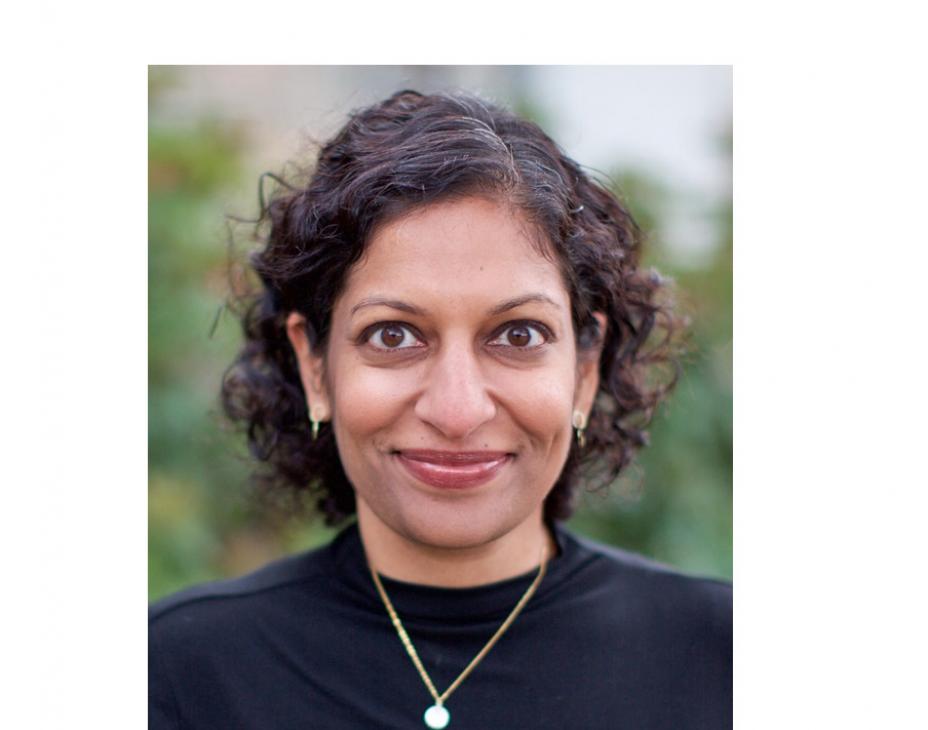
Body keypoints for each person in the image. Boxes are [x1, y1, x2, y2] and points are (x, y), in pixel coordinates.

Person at [149, 89, 732, 729]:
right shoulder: (175, 674)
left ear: (584, 373)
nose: (457, 410)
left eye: (518, 335)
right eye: (393, 335)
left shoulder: (726, 659)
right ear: (315, 367)